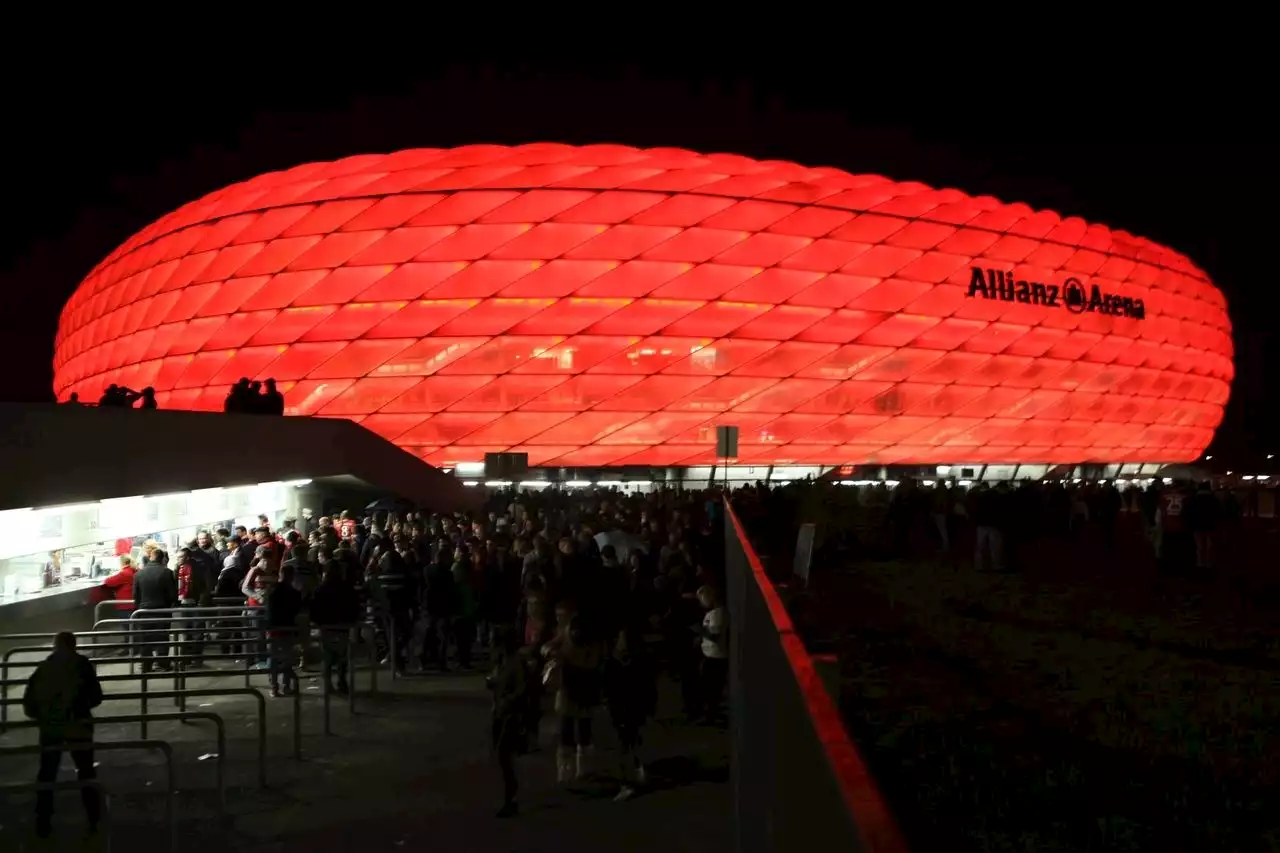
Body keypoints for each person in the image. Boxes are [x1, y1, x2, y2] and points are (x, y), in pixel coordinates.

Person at [22, 632, 104, 839]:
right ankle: (94, 817)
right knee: (86, 771)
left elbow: (29, 705)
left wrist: (45, 715)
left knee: (47, 772)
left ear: (55, 646)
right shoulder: (82, 665)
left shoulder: (44, 667)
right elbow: (96, 696)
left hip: (51, 726)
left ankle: (43, 820)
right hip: (78, 723)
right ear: (74, 645)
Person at [489, 626, 530, 818]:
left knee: (504, 756)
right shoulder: (501, 661)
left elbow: (521, 690)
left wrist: (508, 700)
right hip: (499, 713)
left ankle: (511, 798)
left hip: (510, 716)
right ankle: (510, 795)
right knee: (501, 757)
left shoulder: (515, 663)